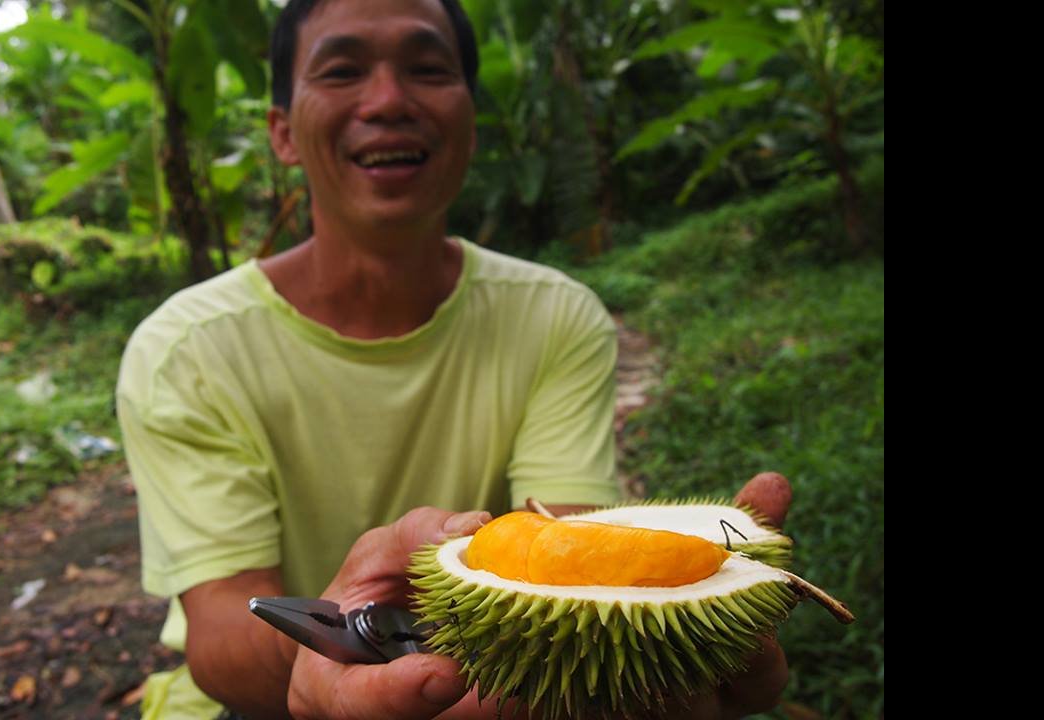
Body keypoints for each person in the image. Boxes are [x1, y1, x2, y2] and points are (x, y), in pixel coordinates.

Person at [115, 1, 790, 718]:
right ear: (282, 132)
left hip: (496, 675)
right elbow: (222, 630)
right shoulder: (185, 350)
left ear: (471, 120)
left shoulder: (557, 317)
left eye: (428, 69)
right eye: (342, 71)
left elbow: (568, 552)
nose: (388, 100)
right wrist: (351, 651)